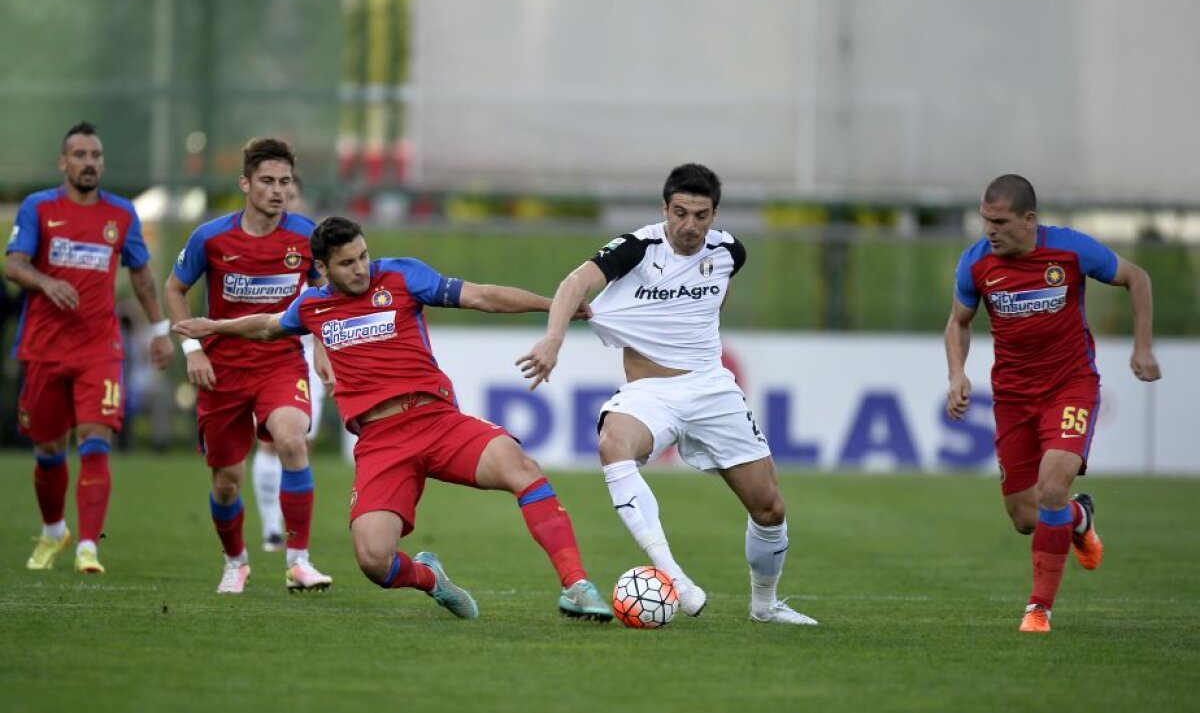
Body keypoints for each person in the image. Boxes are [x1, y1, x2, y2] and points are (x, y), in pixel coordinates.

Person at [173, 216, 613, 622]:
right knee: (373, 560)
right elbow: (268, 325)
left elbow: (480, 296)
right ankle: (430, 578)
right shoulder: (312, 307)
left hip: (437, 420)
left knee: (522, 467)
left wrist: (553, 305)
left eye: (363, 255)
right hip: (381, 442)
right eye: (347, 263)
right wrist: (213, 327)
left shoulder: (402, 275)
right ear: (323, 268)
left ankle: (575, 584)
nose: (361, 268)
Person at [518, 162, 817, 625]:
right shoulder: (638, 248)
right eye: (680, 213)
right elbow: (575, 283)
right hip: (650, 392)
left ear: (714, 214)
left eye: (701, 215)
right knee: (613, 444)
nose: (689, 226)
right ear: (665, 209)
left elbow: (715, 292)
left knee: (769, 506)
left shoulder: (729, 252)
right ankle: (673, 575)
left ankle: (765, 605)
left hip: (711, 387)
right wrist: (553, 339)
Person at [944, 173, 1161, 632]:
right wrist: (957, 373)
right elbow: (958, 322)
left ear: (1029, 220)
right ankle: (1079, 516)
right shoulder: (976, 263)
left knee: (1051, 490)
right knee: (1027, 518)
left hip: (1070, 385)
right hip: (1012, 397)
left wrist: (1142, 347)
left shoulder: (1071, 250)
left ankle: (1038, 608)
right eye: (985, 220)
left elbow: (1135, 278)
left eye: (999, 221)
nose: (990, 231)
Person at [164, 137, 333, 595]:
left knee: (293, 442)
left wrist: (319, 343)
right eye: (267, 182)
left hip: (280, 362)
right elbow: (174, 289)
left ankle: (298, 561)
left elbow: (323, 294)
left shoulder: (305, 236)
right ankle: (236, 561)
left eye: (284, 182)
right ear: (245, 184)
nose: (277, 190)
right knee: (225, 483)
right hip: (221, 371)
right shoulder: (212, 237)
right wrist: (193, 351)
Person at [5, 120, 174, 574]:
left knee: (95, 438)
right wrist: (46, 281)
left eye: (95, 156)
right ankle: (54, 529)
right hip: (43, 348)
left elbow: (141, 274)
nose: (88, 163)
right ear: (63, 162)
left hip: (99, 348)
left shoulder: (121, 215)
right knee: (47, 448)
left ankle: (87, 546)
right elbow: (13, 264)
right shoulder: (38, 208)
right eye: (79, 155)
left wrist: (160, 331)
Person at [249, 173, 328, 552]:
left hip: (311, 354)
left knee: (299, 445)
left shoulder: (314, 249)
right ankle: (271, 528)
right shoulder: (258, 246)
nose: (286, 199)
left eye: (293, 194)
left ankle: (287, 524)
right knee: (270, 443)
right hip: (272, 357)